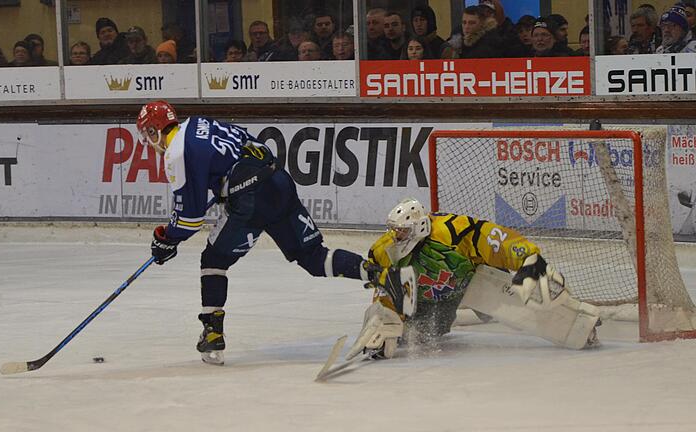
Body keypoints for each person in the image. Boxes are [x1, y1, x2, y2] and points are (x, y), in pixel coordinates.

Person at [135, 101, 378, 365]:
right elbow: (253, 148)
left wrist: (167, 238)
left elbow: (190, 218)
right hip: (278, 182)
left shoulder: (175, 154)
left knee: (213, 261)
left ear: (153, 131)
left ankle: (213, 333)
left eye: (147, 136)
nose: (149, 144)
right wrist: (227, 185)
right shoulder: (199, 122)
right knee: (313, 257)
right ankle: (379, 274)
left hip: (251, 201)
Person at [347, 198, 601, 360]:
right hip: (428, 299)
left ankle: (580, 325)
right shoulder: (383, 250)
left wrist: (527, 258)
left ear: (420, 227)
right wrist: (385, 322)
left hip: (472, 282)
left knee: (526, 307)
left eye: (401, 231)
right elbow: (384, 288)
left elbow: (495, 238)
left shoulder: (452, 230)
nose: (396, 236)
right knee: (423, 335)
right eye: (394, 230)